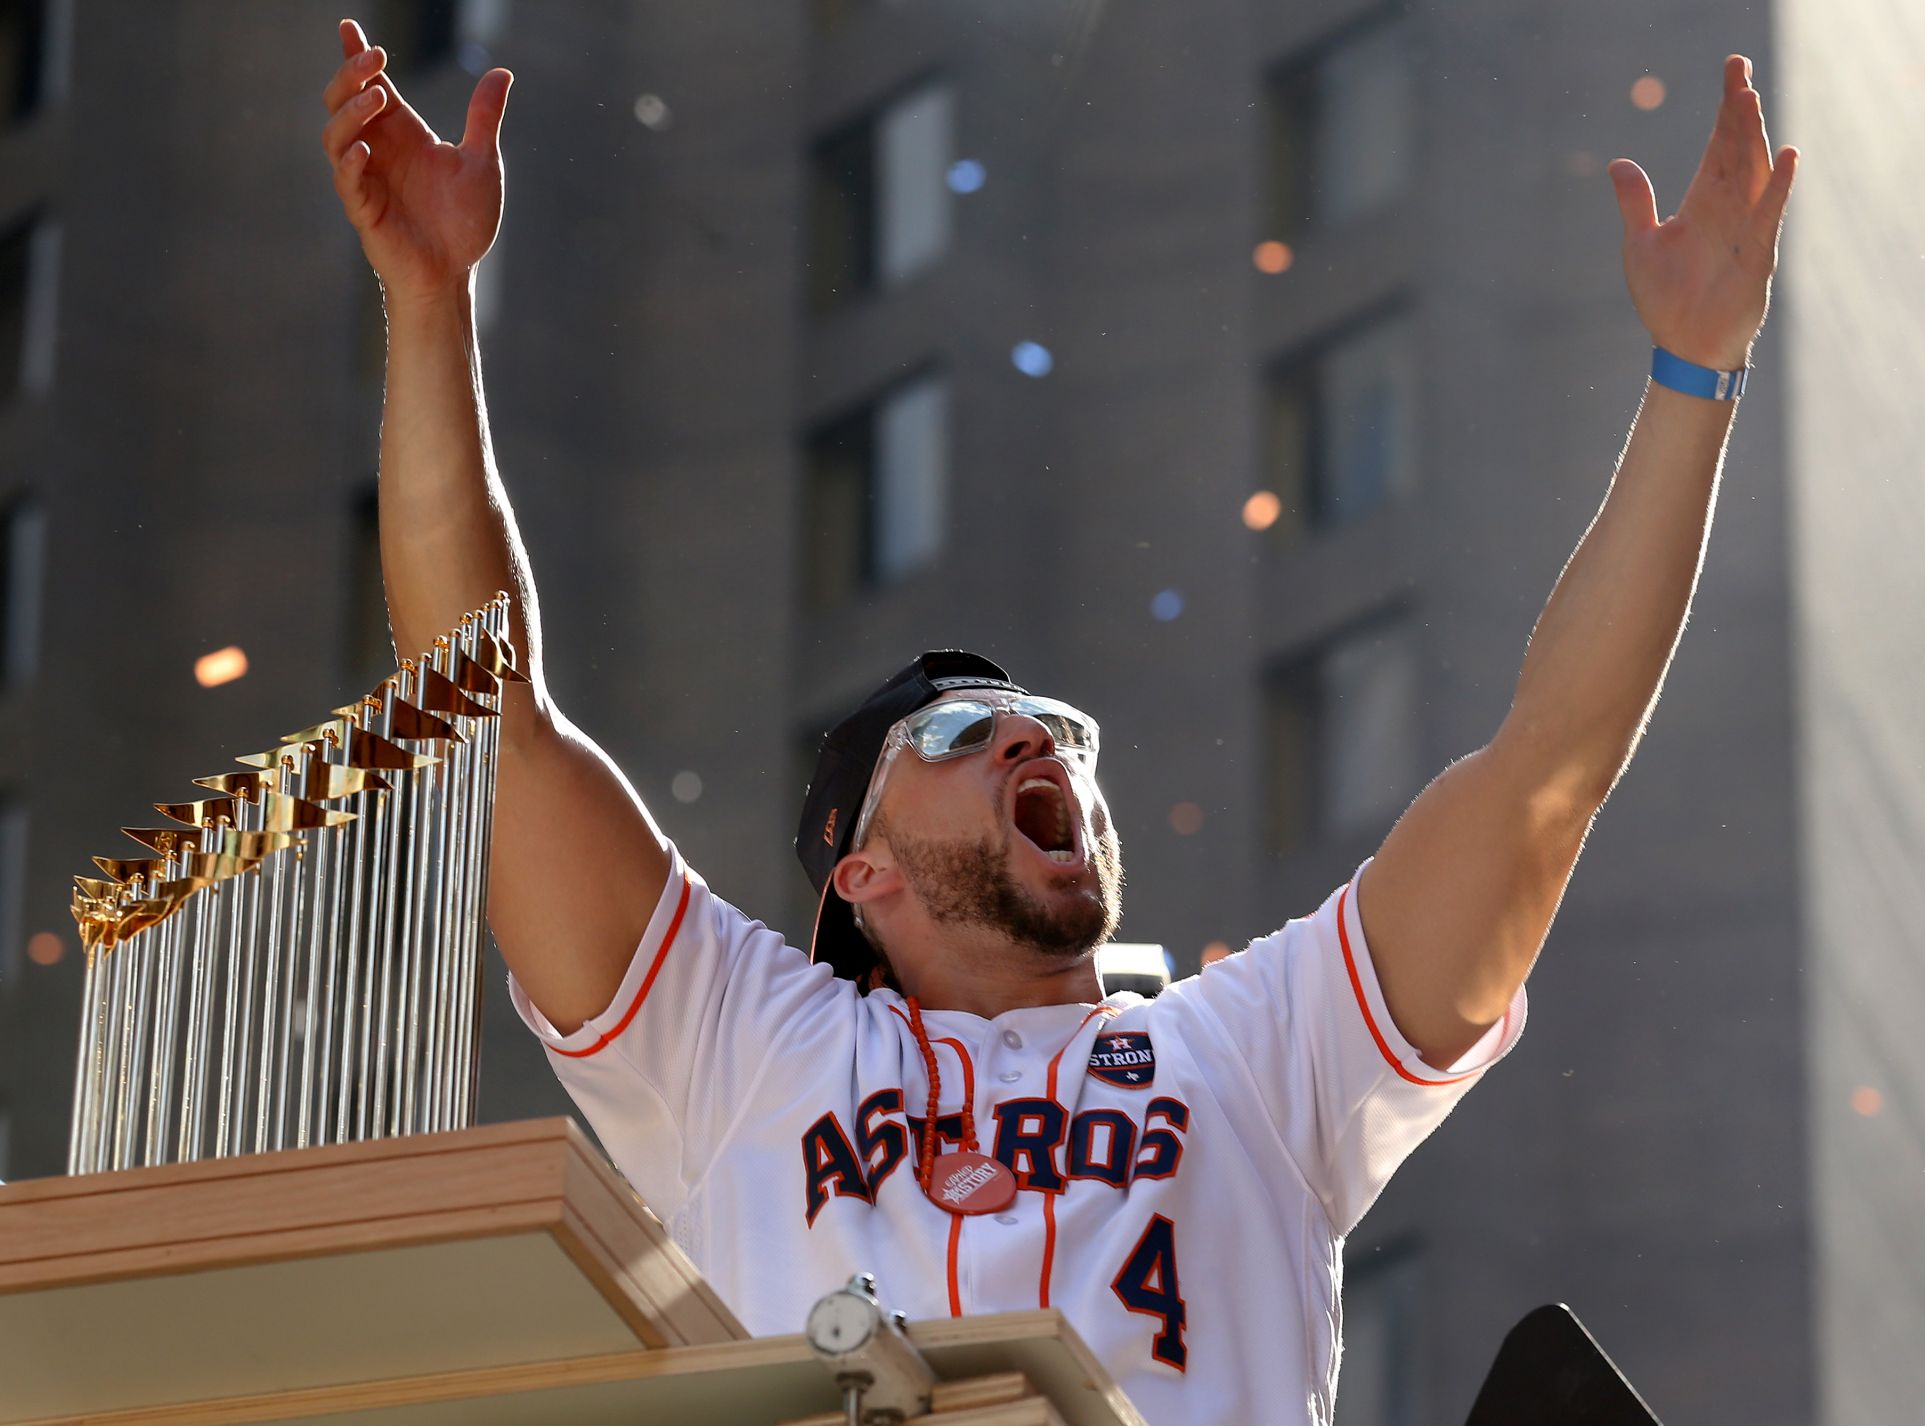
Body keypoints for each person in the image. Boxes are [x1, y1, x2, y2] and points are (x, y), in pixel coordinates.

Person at [319, 17, 1795, 1423]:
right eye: (967, 739)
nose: (1043, 748)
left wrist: (1694, 374)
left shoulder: (1260, 1055)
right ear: (861, 871)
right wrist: (432, 303)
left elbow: (1547, 770)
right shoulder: (742, 1046)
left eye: (1062, 738)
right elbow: (489, 719)